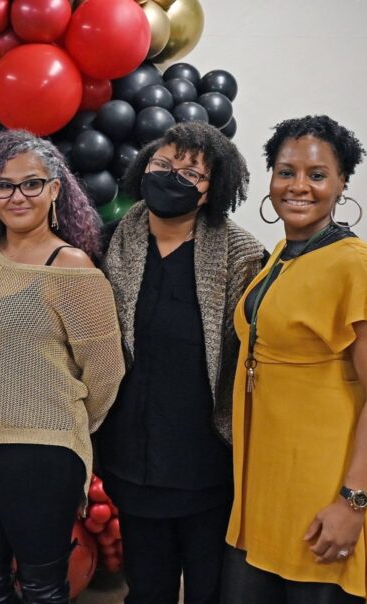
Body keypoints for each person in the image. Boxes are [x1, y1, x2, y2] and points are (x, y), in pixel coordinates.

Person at [221, 115, 367, 604]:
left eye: (317, 174)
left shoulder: (360, 267)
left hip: (326, 491)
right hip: (266, 490)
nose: (298, 186)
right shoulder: (284, 254)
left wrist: (352, 503)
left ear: (342, 182)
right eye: (286, 172)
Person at [0, 129, 125, 603]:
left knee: (43, 587)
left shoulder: (72, 268)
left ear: (55, 189)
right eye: (3, 185)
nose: (17, 196)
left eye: (31, 183)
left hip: (44, 452)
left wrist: (61, 428)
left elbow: (106, 373)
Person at [94, 122, 267, 604]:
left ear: (216, 189)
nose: (173, 177)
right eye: (163, 165)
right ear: (142, 166)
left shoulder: (244, 255)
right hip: (133, 455)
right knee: (147, 589)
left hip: (208, 459)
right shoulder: (106, 245)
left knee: (212, 590)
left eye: (192, 173)